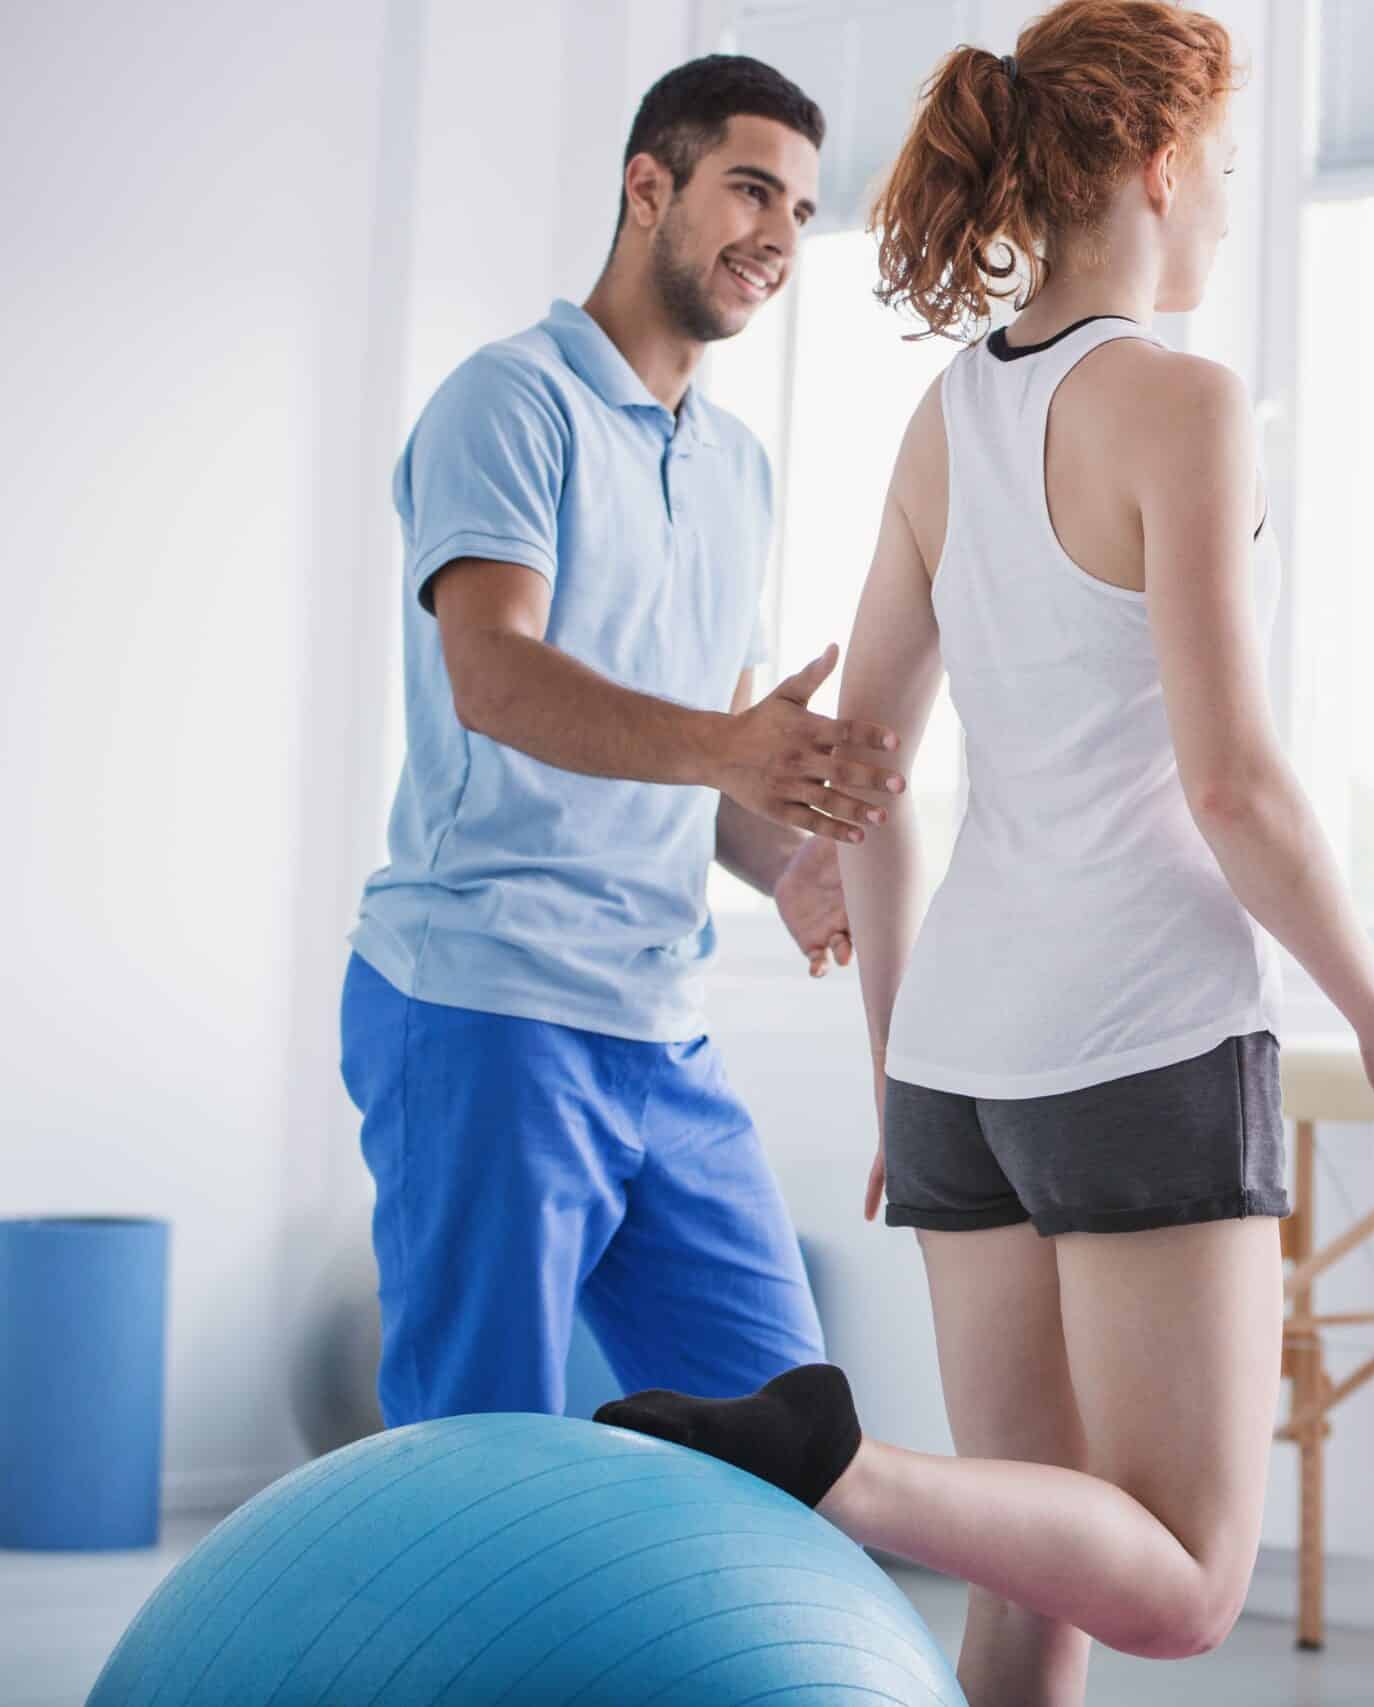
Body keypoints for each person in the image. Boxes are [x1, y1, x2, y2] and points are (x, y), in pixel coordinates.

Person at [595, 5, 1374, 1701]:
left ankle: (861, 1470)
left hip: (959, 1063)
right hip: (1142, 1035)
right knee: (1187, 1581)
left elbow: (860, 779)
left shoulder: (947, 420)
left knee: (1034, 1563)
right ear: (1160, 162)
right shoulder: (1184, 404)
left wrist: (893, 1069)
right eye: (1222, 168)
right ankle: (847, 1472)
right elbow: (1236, 786)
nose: (1225, 208)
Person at [341, 55, 909, 1428]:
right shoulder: (508, 401)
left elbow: (700, 755)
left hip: (662, 1027)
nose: (778, 237)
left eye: (802, 211)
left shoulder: (737, 469)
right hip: (487, 1006)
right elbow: (494, 677)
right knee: (478, 1454)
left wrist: (784, 860)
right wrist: (730, 749)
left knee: (796, 1431)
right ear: (649, 186)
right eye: (750, 190)